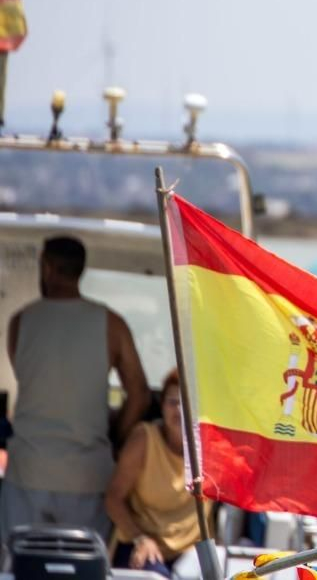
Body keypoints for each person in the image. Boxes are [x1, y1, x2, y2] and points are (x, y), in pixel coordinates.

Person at [2, 235, 149, 553]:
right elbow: (138, 393)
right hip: (87, 476)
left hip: (28, 472)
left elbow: (32, 383)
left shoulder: (20, 322)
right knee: (79, 568)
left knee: (22, 568)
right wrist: (115, 438)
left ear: (48, 267)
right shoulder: (112, 324)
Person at [104, 370, 212, 578]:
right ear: (161, 406)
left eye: (188, 402)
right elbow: (113, 498)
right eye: (173, 402)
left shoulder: (213, 446)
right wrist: (140, 538)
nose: (180, 410)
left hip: (193, 555)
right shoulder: (144, 439)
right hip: (143, 548)